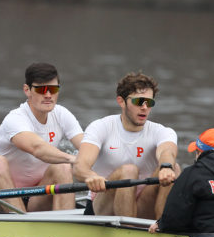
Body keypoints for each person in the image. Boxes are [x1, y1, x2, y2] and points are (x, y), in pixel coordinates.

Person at [0, 62, 84, 211]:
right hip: (1, 196)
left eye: (53, 89)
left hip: (37, 196)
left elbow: (87, 145)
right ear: (27, 90)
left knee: (62, 167)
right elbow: (37, 148)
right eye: (41, 89)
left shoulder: (62, 114)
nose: (48, 95)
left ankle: (66, 226)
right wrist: (74, 159)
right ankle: (21, 224)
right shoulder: (15, 118)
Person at [75, 71, 179, 218]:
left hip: (142, 205)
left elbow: (167, 152)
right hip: (103, 206)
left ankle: (164, 225)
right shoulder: (101, 127)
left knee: (174, 167)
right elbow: (80, 167)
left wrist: (166, 167)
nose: (144, 107)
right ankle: (129, 229)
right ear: (121, 101)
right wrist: (91, 176)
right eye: (138, 102)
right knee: (129, 171)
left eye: (149, 103)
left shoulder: (162, 131)